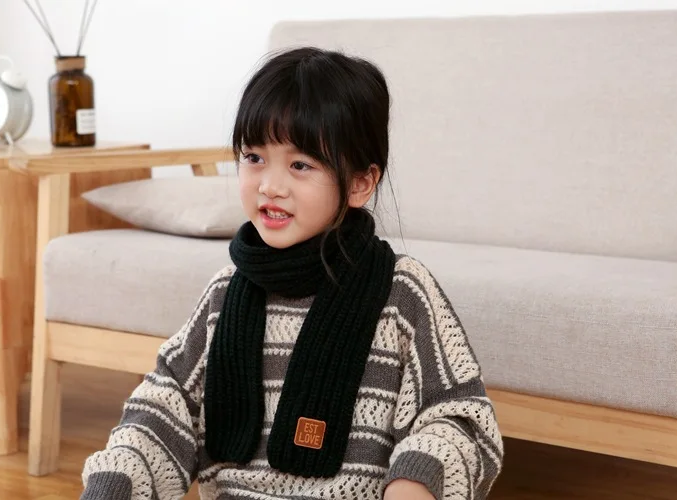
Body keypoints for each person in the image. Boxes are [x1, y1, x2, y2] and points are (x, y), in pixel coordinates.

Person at [80, 46, 503, 500]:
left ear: (360, 183)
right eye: (254, 157)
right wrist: (115, 479)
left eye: (300, 165)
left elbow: (459, 418)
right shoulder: (224, 293)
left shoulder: (401, 293)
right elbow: (162, 411)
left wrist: (416, 480)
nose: (270, 186)